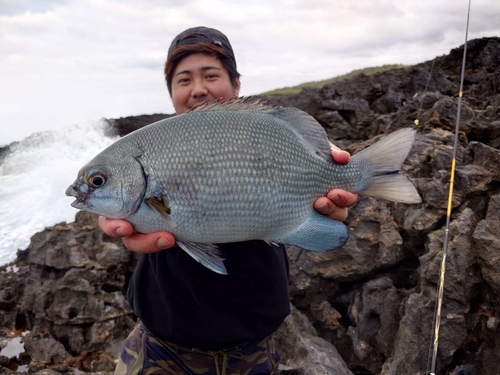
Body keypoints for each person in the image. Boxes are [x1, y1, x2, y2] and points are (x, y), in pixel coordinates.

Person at [102, 27, 358, 375]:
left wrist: (333, 183)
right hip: (161, 347)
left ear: (236, 84)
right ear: (171, 93)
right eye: (183, 80)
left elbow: (324, 191)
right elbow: (120, 202)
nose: (198, 89)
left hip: (255, 347)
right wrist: (107, 210)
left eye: (211, 75)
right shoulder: (153, 150)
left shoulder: (263, 133)